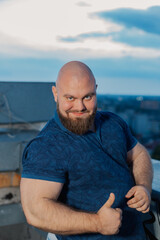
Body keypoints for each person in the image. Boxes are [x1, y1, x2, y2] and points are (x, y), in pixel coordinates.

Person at [20, 61, 153, 240]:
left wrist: (144, 186)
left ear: (96, 90)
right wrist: (97, 223)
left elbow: (139, 154)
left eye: (87, 97)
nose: (80, 107)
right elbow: (35, 211)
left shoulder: (113, 123)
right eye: (70, 98)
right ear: (55, 94)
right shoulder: (46, 145)